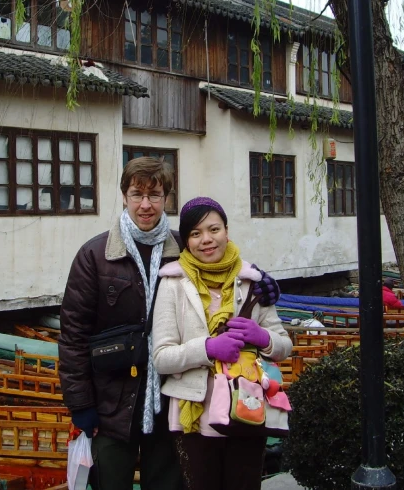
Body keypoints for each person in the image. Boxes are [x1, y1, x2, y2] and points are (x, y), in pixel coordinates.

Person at [58, 158, 281, 490]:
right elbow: (73, 336)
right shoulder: (96, 255)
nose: (145, 205)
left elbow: (227, 267)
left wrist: (264, 281)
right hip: (111, 403)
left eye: (155, 195)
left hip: (172, 399)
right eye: (137, 194)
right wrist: (81, 405)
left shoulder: (184, 249)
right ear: (124, 196)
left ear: (166, 199)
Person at [151, 197, 293, 490]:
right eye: (195, 233)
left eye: (214, 229)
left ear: (226, 231)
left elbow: (284, 346)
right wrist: (207, 349)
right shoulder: (173, 283)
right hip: (195, 413)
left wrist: (262, 337)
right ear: (187, 241)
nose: (206, 240)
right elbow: (161, 357)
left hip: (248, 408)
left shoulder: (253, 281)